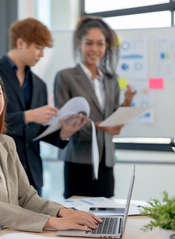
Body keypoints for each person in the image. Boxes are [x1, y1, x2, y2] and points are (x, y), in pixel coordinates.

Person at [0, 65, 102, 239]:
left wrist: (64, 212)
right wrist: (54, 222)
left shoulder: (6, 143)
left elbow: (26, 197)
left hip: (9, 234)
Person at [0, 18, 88, 195]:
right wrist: (29, 116)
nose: (41, 54)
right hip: (1, 171)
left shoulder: (39, 84)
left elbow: (37, 131)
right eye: (38, 48)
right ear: (20, 43)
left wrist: (64, 133)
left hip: (33, 176)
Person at [54, 16, 137, 199]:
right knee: (77, 217)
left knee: (106, 217)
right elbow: (65, 122)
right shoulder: (65, 77)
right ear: (79, 43)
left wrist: (127, 102)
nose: (95, 49)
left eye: (100, 44)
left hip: (105, 160)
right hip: (78, 159)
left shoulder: (111, 80)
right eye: (89, 43)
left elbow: (113, 120)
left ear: (106, 46)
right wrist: (100, 126)